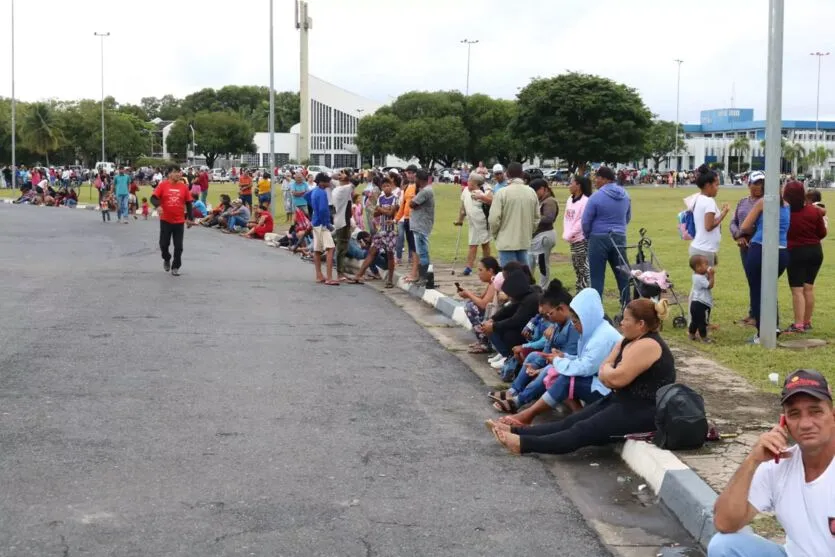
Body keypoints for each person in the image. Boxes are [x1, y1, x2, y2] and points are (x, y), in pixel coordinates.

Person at [488, 297, 674, 455]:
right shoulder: (630, 340)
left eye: (626, 320)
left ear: (641, 324)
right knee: (571, 421)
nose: (621, 323)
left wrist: (608, 371)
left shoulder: (648, 345)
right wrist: (608, 371)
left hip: (642, 412)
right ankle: (517, 431)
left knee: (582, 430)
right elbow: (605, 373)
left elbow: (615, 378)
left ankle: (523, 445)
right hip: (621, 401)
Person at [708, 369, 835, 557]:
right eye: (794, 414)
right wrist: (753, 460)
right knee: (724, 545)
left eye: (815, 411)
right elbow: (724, 523)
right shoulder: (777, 466)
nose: (806, 423)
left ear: (833, 415)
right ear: (783, 423)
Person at [496, 287, 622, 426]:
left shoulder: (602, 337)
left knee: (564, 378)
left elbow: (586, 367)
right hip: (599, 380)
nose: (575, 326)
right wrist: (563, 357)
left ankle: (527, 413)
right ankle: (579, 418)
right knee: (555, 372)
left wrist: (557, 360)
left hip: (609, 389)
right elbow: (584, 360)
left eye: (576, 322)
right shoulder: (593, 330)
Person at [489, 279, 581, 414]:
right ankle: (513, 391)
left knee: (547, 369)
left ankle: (519, 401)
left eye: (550, 314)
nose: (548, 318)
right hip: (556, 361)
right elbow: (547, 350)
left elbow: (569, 356)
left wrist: (542, 368)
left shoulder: (573, 327)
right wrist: (537, 364)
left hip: (566, 364)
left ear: (561, 308)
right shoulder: (556, 324)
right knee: (533, 356)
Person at [740, 177, 791, 344]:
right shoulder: (786, 205)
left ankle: (762, 332)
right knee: (770, 288)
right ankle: (773, 326)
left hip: (760, 247)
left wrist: (755, 227)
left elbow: (745, 226)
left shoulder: (763, 202)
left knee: (757, 289)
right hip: (782, 250)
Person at [582, 166, 632, 308]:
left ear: (604, 179)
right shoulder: (625, 195)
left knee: (597, 277)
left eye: (597, 178)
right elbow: (627, 217)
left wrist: (588, 235)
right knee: (623, 274)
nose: (595, 181)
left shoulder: (596, 197)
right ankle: (626, 306)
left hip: (598, 237)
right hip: (619, 237)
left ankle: (597, 309)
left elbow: (586, 221)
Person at [783, 181, 826, 333]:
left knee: (797, 290)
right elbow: (822, 233)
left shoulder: (785, 213)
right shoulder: (814, 211)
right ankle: (807, 322)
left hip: (796, 252)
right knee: (808, 288)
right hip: (815, 251)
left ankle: (798, 324)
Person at [480, 269, 541, 371]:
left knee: (507, 334)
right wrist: (492, 319)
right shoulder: (525, 294)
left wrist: (493, 326)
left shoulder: (530, 299)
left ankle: (509, 357)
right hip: (526, 329)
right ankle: (507, 356)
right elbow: (508, 309)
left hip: (532, 333)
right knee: (495, 326)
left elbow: (516, 320)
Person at [488, 162, 540, 267]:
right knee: (524, 276)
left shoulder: (502, 193)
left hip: (506, 241)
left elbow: (493, 219)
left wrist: (496, 234)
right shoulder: (531, 192)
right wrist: (529, 232)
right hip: (523, 240)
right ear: (522, 174)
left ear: (507, 174)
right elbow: (536, 218)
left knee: (509, 277)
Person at [729, 172, 764, 326]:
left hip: (759, 245)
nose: (758, 186)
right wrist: (738, 236)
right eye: (755, 183)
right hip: (744, 246)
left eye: (762, 183)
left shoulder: (767, 202)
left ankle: (759, 315)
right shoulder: (743, 202)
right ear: (748, 184)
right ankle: (753, 313)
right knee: (752, 280)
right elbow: (733, 222)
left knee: (761, 281)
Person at [352, 176, 399, 288]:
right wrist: (384, 210)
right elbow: (376, 213)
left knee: (390, 255)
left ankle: (390, 280)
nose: (386, 188)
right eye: (384, 186)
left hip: (391, 231)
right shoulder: (381, 198)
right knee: (372, 252)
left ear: (391, 187)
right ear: (381, 187)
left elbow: (390, 213)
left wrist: (381, 210)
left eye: (388, 186)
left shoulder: (394, 198)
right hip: (381, 230)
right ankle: (358, 275)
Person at [150, 165, 194, 276]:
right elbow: (153, 198)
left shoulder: (183, 187)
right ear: (169, 174)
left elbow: (189, 203)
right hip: (166, 220)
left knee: (178, 246)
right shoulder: (163, 185)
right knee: (164, 245)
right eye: (175, 172)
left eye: (179, 172)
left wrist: (190, 218)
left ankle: (175, 266)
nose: (178, 174)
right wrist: (158, 206)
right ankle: (167, 258)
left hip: (179, 221)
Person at [460, 256, 503, 353]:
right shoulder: (491, 282)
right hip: (492, 312)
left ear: (490, 270)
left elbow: (483, 304)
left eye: (480, 270)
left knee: (471, 307)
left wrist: (468, 294)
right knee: (471, 303)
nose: (478, 273)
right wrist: (467, 294)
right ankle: (482, 340)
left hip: (496, 315)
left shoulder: (495, 282)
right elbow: (481, 298)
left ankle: (485, 342)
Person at [690, 164, 729, 267]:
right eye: (716, 185)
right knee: (707, 282)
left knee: (701, 282)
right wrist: (723, 214)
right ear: (708, 185)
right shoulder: (709, 202)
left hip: (699, 247)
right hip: (705, 249)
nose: (718, 188)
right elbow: (708, 226)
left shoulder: (698, 198)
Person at [454, 173, 491, 276]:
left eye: (470, 181)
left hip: (482, 222)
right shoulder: (465, 191)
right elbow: (463, 207)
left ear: (475, 183)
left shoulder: (483, 192)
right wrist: (460, 219)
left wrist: (482, 197)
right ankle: (468, 268)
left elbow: (492, 201)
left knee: (485, 244)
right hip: (472, 222)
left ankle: (488, 267)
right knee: (472, 244)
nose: (468, 182)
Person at [306, 172, 338, 286]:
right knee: (330, 248)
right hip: (322, 223)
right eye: (326, 181)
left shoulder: (314, 191)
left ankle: (319, 275)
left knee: (317, 250)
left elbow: (307, 198)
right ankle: (329, 277)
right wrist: (327, 223)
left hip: (315, 222)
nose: (328, 182)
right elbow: (324, 210)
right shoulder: (322, 193)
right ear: (321, 182)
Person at [563, 174, 592, 292]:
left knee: (583, 267)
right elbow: (567, 218)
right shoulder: (570, 199)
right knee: (576, 266)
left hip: (581, 238)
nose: (569, 185)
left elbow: (581, 221)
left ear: (578, 186)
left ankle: (586, 290)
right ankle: (580, 289)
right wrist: (567, 233)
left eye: (571, 183)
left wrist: (571, 233)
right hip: (572, 239)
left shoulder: (586, 201)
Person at [529, 178, 558, 288]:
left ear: (542, 189)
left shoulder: (550, 201)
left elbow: (549, 218)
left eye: (535, 192)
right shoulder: (543, 201)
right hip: (538, 236)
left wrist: (532, 218)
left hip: (544, 236)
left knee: (542, 265)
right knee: (533, 263)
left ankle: (543, 288)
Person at [409, 169, 435, 287]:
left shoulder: (425, 191)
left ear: (419, 179)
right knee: (421, 251)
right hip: (420, 225)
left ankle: (424, 278)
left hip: (421, 225)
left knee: (423, 252)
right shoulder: (425, 190)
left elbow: (412, 204)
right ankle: (423, 277)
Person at [332, 169, 355, 282]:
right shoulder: (344, 189)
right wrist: (348, 176)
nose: (341, 174)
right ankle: (340, 273)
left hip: (341, 220)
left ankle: (341, 271)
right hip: (343, 222)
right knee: (342, 248)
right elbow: (356, 181)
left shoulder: (338, 188)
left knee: (341, 247)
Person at [688, 254, 715, 343]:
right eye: (706, 264)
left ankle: (691, 335)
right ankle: (704, 338)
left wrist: (707, 272)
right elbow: (710, 285)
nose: (708, 266)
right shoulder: (700, 278)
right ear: (698, 267)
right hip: (702, 304)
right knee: (702, 322)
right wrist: (712, 276)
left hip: (695, 303)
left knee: (695, 321)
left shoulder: (696, 276)